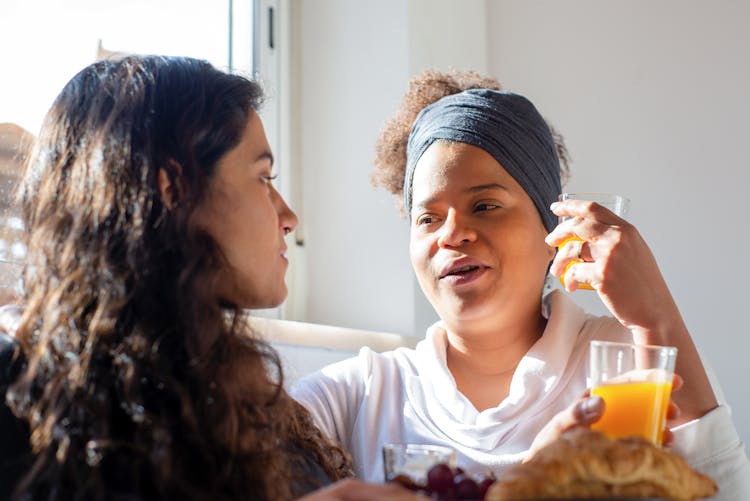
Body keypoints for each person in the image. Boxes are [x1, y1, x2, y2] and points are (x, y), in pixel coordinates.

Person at [291, 70, 750, 498]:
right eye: (427, 218)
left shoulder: (628, 363)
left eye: (485, 205)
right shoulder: (356, 394)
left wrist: (654, 313)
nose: (451, 234)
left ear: (553, 228)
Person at [0, 55, 420, 500]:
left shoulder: (242, 400)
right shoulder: (22, 398)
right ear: (172, 190)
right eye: (263, 177)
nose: (289, 216)